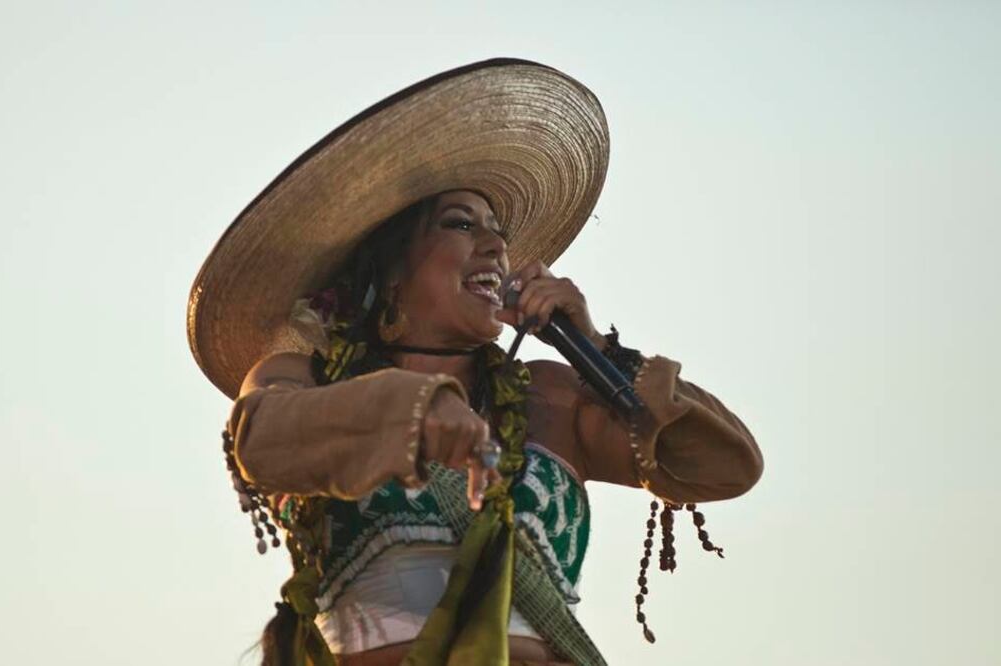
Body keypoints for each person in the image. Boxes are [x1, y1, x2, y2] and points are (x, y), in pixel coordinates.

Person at [188, 59, 763, 666]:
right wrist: (418, 413)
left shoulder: (552, 397)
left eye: (500, 233)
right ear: (387, 267)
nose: (497, 247)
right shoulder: (303, 379)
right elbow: (260, 440)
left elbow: (723, 467)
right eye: (461, 224)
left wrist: (597, 348)